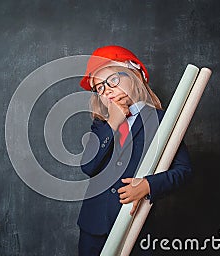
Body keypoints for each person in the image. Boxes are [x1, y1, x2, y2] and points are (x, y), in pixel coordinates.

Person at [77, 45, 192, 255]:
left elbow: (183, 171)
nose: (107, 90)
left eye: (112, 80)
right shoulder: (102, 125)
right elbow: (88, 166)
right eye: (100, 88)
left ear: (135, 75)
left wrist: (148, 185)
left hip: (136, 226)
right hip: (93, 228)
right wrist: (113, 123)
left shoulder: (162, 122)